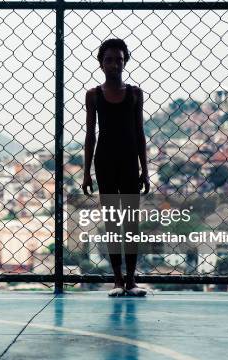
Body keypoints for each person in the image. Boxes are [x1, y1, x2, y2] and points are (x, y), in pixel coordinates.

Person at [82, 38, 149, 297]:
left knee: (131, 222)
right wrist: (87, 172)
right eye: (109, 60)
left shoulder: (134, 94)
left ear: (125, 62)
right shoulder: (94, 95)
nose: (114, 64)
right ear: (101, 64)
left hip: (129, 161)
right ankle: (118, 280)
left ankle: (131, 280)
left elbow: (140, 133)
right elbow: (90, 136)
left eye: (119, 60)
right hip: (105, 161)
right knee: (111, 221)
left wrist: (145, 169)